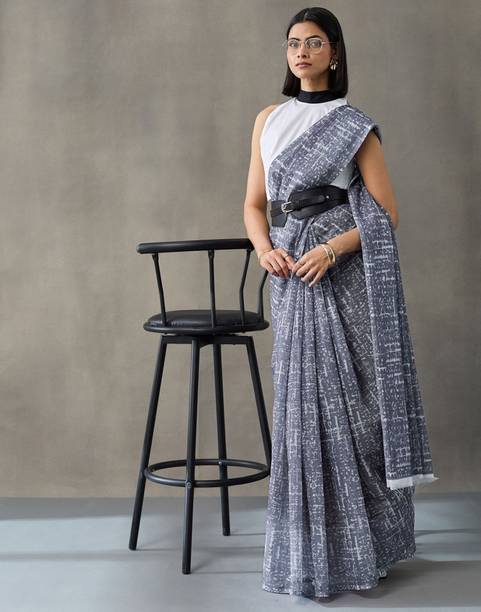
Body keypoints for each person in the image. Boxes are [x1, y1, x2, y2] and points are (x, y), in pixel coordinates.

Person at [243, 6, 438, 601]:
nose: (301, 52)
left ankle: (366, 546)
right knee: (300, 405)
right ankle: (308, 549)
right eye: (293, 43)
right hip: (289, 270)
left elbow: (385, 214)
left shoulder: (355, 126)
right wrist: (263, 249)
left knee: (354, 404)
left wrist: (331, 249)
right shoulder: (268, 119)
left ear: (334, 52)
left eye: (313, 42)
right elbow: (254, 204)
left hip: (339, 272)